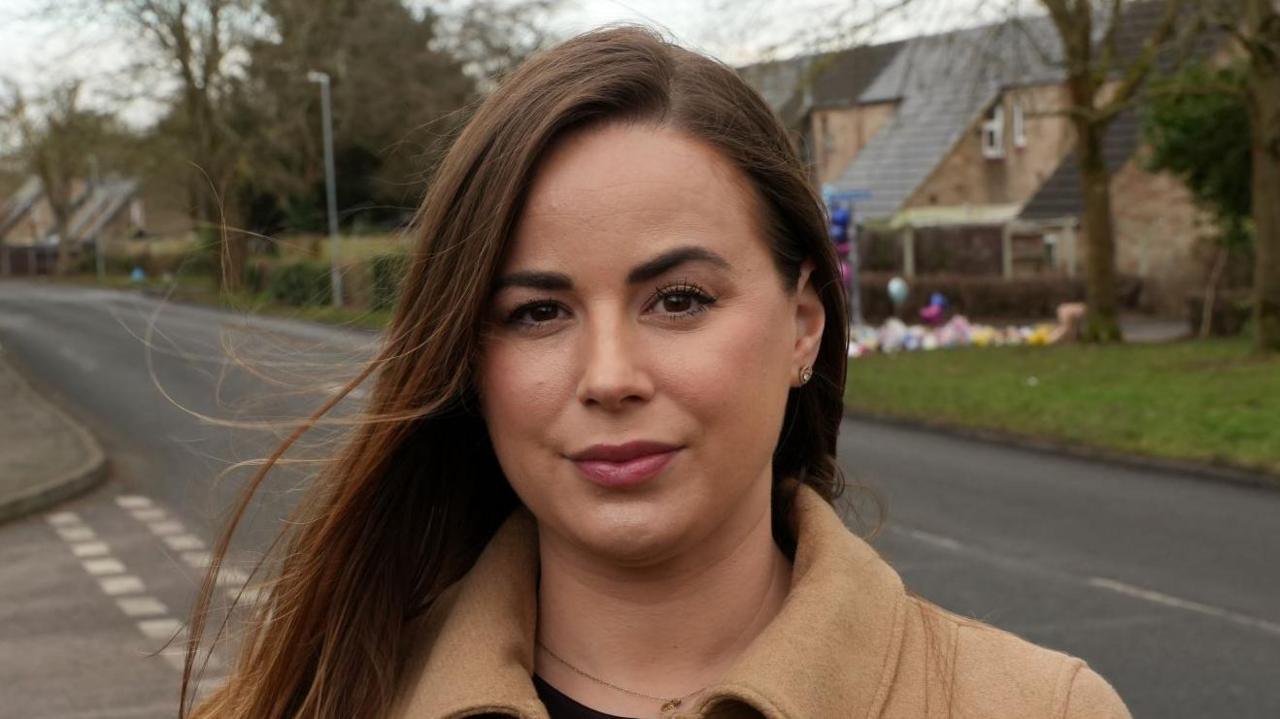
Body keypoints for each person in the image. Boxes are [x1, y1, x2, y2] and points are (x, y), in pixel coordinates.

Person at [182, 27, 1130, 719]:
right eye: (537, 312)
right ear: (473, 359)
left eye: (678, 299)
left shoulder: (1038, 706)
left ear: (804, 324)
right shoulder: (300, 703)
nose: (609, 375)